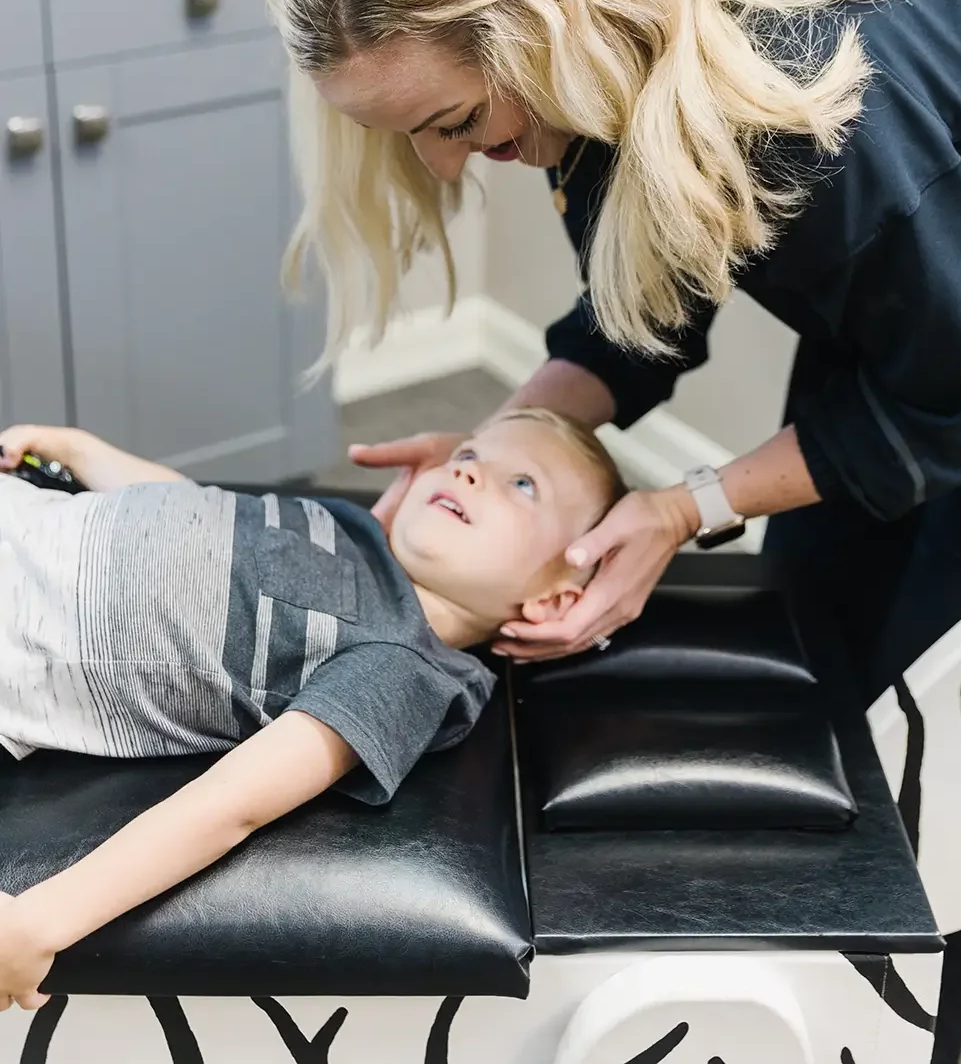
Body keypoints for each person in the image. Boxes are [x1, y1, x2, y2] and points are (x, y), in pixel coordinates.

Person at [261, 0, 961, 1062]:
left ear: (537, 16)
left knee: (933, 743)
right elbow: (650, 268)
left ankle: (916, 1011)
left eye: (455, 119)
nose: (444, 162)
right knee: (821, 624)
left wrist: (688, 505)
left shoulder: (816, 100)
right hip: (928, 295)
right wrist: (521, 439)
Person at [0, 410, 622, 1011]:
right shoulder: (352, 530)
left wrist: (43, 921)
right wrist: (81, 450)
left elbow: (234, 801)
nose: (468, 472)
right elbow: (196, 507)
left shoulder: (404, 662)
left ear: (552, 600)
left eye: (522, 484)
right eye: (469, 454)